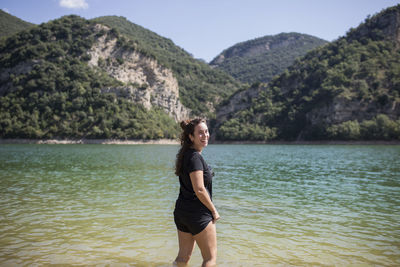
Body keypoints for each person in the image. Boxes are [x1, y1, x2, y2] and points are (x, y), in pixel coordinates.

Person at [173, 118, 220, 267]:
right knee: (210, 259)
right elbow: (199, 189)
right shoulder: (195, 158)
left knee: (182, 258)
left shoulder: (187, 155)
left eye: (206, 131)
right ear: (191, 137)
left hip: (182, 213)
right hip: (198, 215)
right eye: (200, 133)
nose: (205, 135)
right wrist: (214, 211)